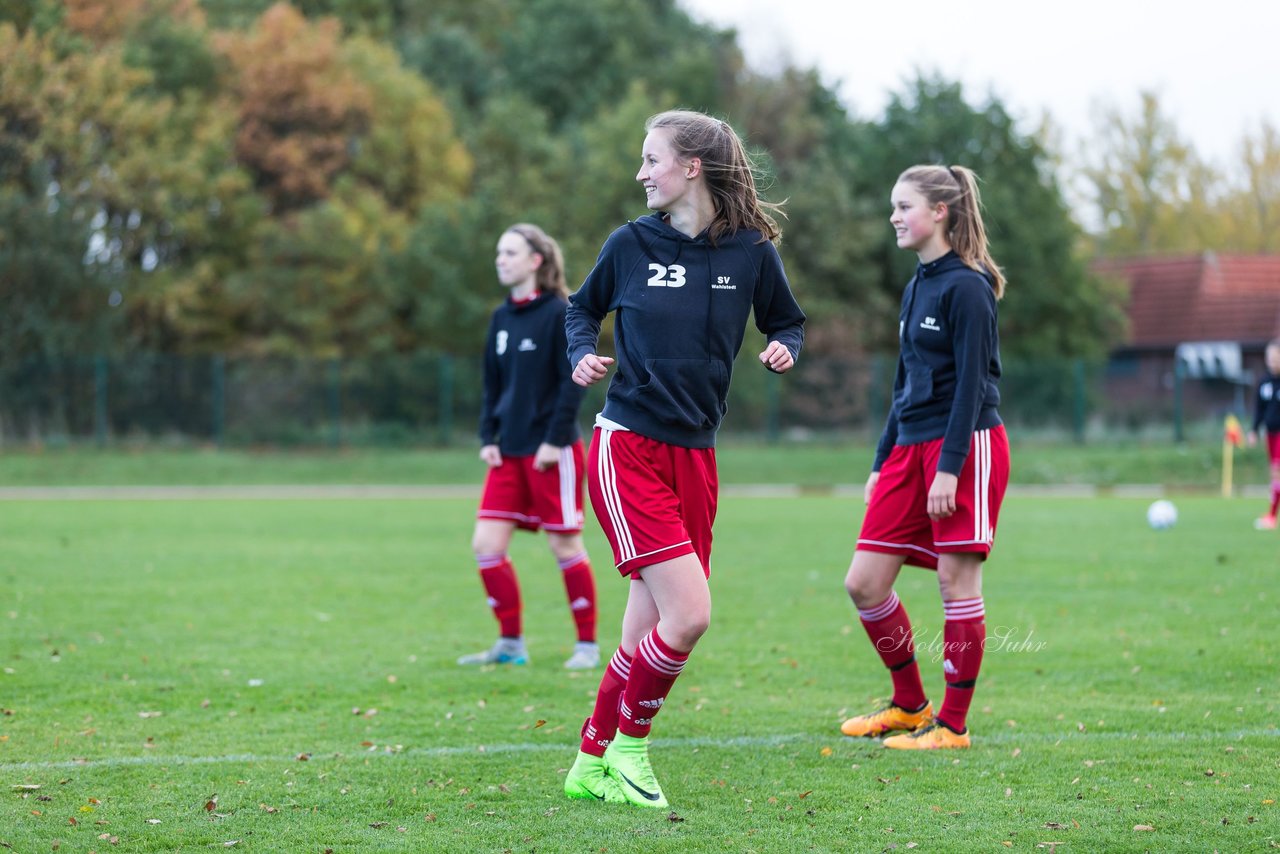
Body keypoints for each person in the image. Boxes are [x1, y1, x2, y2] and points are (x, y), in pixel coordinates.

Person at [561, 109, 806, 807]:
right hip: (626, 448)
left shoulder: (752, 251)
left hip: (697, 458)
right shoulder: (629, 245)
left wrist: (786, 345)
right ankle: (630, 751)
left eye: (651, 159)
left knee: (644, 629)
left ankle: (589, 764)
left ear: (691, 167)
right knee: (690, 614)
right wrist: (582, 353)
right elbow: (581, 309)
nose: (640, 173)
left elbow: (786, 317)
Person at [839, 164, 1010, 750]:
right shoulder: (916, 285)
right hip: (907, 449)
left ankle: (953, 727)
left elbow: (970, 387)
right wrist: (880, 462)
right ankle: (910, 706)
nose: (894, 216)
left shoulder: (968, 286)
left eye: (903, 206)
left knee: (955, 583)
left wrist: (950, 465)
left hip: (963, 447)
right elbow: (904, 382)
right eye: (893, 206)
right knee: (864, 582)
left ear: (940, 211)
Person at [456, 223, 600, 671]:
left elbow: (571, 383)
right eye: (499, 252)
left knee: (565, 544)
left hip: (550, 452)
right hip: (507, 452)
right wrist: (488, 438)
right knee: (486, 544)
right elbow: (492, 385)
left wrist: (555, 440)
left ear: (536, 260)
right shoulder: (501, 318)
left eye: (510, 252)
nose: (500, 259)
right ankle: (511, 643)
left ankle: (587, 646)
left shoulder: (561, 313)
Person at [1247, 338, 1280, 530]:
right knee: (1275, 474)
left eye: (1276, 358)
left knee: (1277, 472)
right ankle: (1272, 514)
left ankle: (1271, 516)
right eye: (1270, 358)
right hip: (1270, 432)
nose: (1273, 361)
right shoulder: (1264, 382)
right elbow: (1259, 409)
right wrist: (1253, 430)